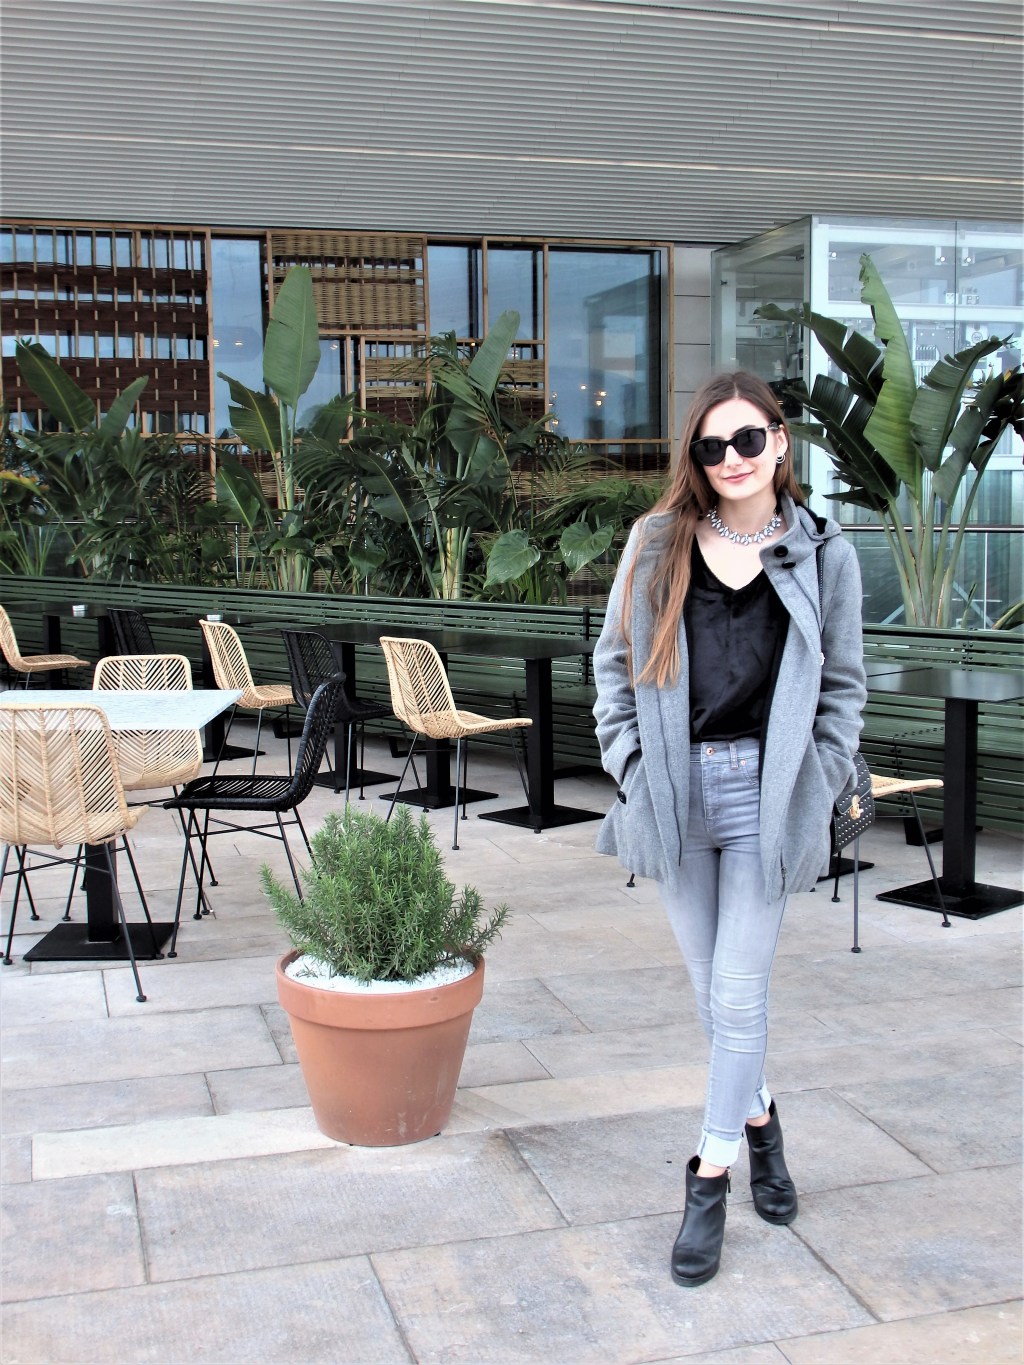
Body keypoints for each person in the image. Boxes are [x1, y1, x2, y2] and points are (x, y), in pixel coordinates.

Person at [592, 371, 866, 1288]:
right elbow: (613, 666)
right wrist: (632, 769)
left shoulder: (824, 553)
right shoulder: (658, 540)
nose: (732, 459)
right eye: (712, 446)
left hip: (768, 796)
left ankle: (708, 1176)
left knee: (740, 995)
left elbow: (843, 686)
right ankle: (762, 1124)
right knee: (714, 998)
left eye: (748, 439)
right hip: (676, 793)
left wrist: (816, 778)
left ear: (780, 441)